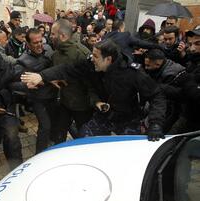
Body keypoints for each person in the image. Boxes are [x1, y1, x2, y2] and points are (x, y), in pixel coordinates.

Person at [21, 39, 167, 141]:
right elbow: (68, 69)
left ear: (108, 59)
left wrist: (155, 123)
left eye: (96, 56)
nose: (92, 59)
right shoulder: (91, 65)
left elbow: (157, 95)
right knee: (84, 137)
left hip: (127, 118)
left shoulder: (133, 73)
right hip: (104, 114)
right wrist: (42, 76)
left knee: (128, 149)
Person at [14, 28, 55, 153]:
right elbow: (12, 84)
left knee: (55, 124)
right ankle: (39, 154)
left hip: (54, 95)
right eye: (35, 42)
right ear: (28, 44)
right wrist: (26, 85)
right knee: (45, 126)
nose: (39, 45)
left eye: (41, 41)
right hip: (39, 99)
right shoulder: (22, 61)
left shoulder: (48, 50)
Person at [144, 49, 185, 132]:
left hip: (179, 105)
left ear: (158, 64)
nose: (146, 68)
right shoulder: (164, 65)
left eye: (148, 66)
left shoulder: (169, 74)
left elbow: (161, 97)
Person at [170, 28, 200, 133]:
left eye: (198, 44)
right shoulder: (193, 62)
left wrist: (187, 80)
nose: (192, 48)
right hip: (185, 114)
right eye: (190, 44)